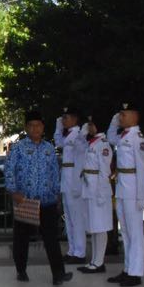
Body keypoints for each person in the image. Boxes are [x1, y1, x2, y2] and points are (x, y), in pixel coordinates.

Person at [5, 110, 67, 286]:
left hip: (47, 200)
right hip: (25, 199)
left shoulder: (49, 148)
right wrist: (13, 191)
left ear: (43, 127)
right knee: (22, 237)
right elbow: (9, 170)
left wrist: (56, 192)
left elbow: (55, 172)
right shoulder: (18, 148)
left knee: (50, 238)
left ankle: (58, 274)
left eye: (38, 125)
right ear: (26, 128)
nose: (35, 129)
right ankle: (21, 270)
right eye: (31, 125)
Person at [107, 103, 144, 287]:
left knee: (135, 232)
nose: (121, 117)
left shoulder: (137, 138)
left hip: (132, 188)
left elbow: (143, 168)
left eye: (124, 114)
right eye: (120, 114)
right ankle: (128, 268)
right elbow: (110, 137)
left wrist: (141, 196)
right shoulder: (123, 136)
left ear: (135, 116)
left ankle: (136, 272)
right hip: (122, 187)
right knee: (125, 231)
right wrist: (113, 122)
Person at [77, 118, 113, 275]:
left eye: (91, 124)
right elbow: (78, 148)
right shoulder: (91, 142)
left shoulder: (103, 144)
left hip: (99, 188)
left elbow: (105, 170)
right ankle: (94, 260)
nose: (89, 127)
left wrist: (101, 192)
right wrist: (82, 133)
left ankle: (99, 261)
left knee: (101, 227)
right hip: (89, 187)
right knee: (93, 226)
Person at [54, 106, 88, 264]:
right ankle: (72, 249)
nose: (64, 120)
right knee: (68, 218)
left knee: (77, 218)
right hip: (66, 178)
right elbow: (58, 142)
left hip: (74, 178)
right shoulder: (67, 135)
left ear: (75, 119)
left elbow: (80, 161)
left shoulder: (79, 135)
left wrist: (76, 183)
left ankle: (80, 252)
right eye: (63, 117)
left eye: (66, 118)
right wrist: (58, 127)